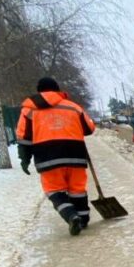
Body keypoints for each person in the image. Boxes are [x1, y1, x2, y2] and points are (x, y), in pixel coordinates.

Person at [16, 76, 96, 236]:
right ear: (57, 90)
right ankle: (83, 218)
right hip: (75, 154)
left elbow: (23, 137)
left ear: (39, 91)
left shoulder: (29, 110)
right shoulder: (73, 107)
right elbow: (89, 128)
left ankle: (71, 216)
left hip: (47, 156)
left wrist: (24, 159)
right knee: (77, 189)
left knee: (54, 190)